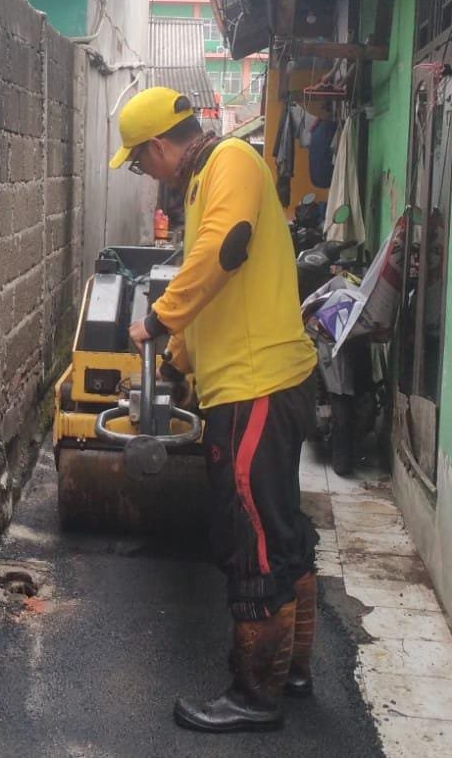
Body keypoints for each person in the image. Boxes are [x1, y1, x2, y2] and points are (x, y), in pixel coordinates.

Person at [109, 86, 320, 734]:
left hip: (256, 385)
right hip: (258, 380)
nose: (145, 175)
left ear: (158, 146)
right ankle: (292, 668)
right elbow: (219, 286)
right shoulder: (206, 183)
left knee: (250, 534)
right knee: (280, 526)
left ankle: (255, 693)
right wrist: (176, 361)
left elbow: (226, 248)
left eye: (141, 164)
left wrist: (158, 319)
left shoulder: (228, 162)